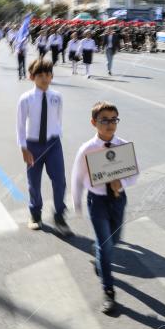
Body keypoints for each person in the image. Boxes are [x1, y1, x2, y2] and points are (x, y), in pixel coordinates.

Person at [71, 101, 139, 314]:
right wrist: (77, 203)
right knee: (106, 244)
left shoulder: (122, 145)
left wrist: (123, 183)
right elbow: (77, 177)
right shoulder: (87, 149)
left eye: (113, 120)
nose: (110, 124)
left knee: (114, 241)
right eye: (104, 120)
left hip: (119, 200)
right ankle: (108, 291)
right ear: (94, 122)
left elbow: (134, 174)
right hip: (97, 201)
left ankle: (99, 254)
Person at [16, 59, 72, 236]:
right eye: (40, 75)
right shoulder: (26, 99)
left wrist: (57, 135)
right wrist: (23, 147)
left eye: (48, 74)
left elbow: (58, 119)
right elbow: (19, 124)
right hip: (33, 145)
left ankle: (60, 215)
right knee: (34, 181)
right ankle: (35, 213)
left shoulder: (57, 96)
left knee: (60, 181)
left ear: (52, 76)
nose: (44, 78)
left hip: (53, 144)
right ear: (32, 77)